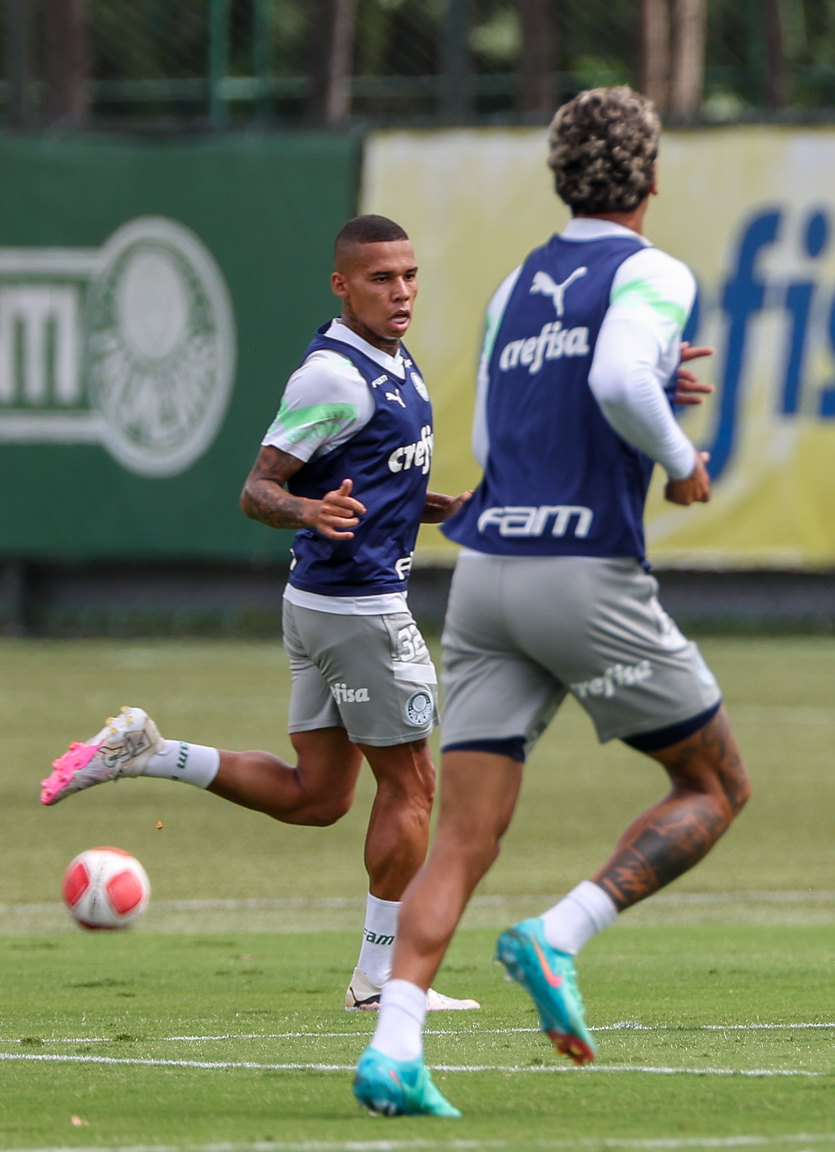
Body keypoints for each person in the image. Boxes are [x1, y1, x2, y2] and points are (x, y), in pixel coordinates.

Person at [351, 87, 745, 1119]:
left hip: (484, 577)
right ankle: (558, 934)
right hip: (583, 571)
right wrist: (680, 459)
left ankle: (394, 1048)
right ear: (653, 178)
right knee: (714, 786)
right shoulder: (653, 271)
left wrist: (649, 384)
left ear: (558, 178)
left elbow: (514, 404)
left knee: (464, 836)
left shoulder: (518, 280)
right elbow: (616, 379)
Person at [41, 214, 476, 1016]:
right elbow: (259, 488)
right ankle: (383, 982)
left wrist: (417, 502)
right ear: (342, 285)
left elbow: (364, 474)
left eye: (409, 275)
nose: (402, 291)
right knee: (413, 788)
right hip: (360, 610)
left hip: (322, 605)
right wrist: (306, 513)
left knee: (319, 798)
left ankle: (150, 753)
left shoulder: (392, 360)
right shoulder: (335, 376)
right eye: (382, 279)